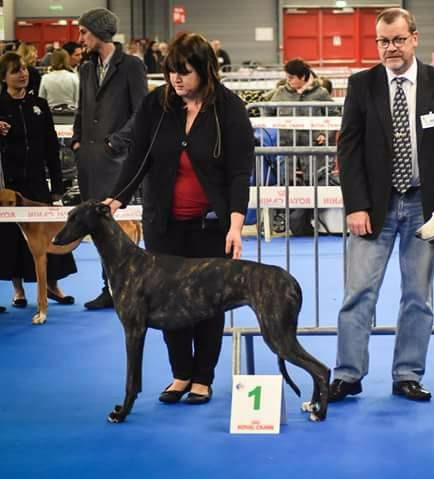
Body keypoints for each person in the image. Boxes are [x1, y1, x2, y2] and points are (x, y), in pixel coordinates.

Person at [329, 7, 434, 403]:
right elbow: (350, 149)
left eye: (397, 39)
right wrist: (356, 205)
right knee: (358, 292)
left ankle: (407, 374)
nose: (390, 48)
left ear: (414, 38)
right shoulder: (361, 85)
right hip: (374, 208)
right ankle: (347, 374)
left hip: (424, 209)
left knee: (417, 297)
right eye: (383, 41)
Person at [104, 32, 254, 405]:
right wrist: (115, 199)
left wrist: (235, 225)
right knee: (169, 303)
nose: (176, 79)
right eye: (171, 71)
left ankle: (203, 377)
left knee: (207, 303)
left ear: (205, 70)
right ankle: (180, 374)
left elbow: (239, 173)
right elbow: (137, 158)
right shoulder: (157, 105)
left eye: (184, 72)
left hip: (210, 226)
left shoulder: (229, 109)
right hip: (163, 225)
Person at [72, 7, 147, 309]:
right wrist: (77, 141)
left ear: (100, 32)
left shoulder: (131, 66)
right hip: (89, 160)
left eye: (84, 31)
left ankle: (126, 288)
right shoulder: (86, 67)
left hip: (116, 160)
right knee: (99, 230)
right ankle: (109, 288)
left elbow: (142, 111)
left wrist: (116, 142)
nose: (80, 37)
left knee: (116, 231)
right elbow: (82, 107)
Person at [0, 52, 77, 308]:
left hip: (37, 181)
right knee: (11, 238)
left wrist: (57, 185)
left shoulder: (40, 104)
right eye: (15, 71)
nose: (22, 74)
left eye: (23, 69)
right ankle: (18, 289)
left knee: (49, 235)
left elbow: (51, 146)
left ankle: (53, 286)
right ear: (4, 77)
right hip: (9, 185)